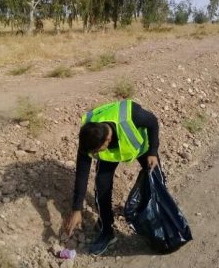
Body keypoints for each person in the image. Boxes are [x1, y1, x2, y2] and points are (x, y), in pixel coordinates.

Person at [64, 99, 160, 256]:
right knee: (101, 186)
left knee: (156, 180)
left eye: (97, 151)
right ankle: (106, 230)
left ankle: (159, 219)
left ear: (107, 140)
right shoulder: (89, 134)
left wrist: (153, 151)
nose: (95, 155)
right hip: (112, 154)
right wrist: (76, 209)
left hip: (141, 148)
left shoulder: (132, 116)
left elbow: (153, 122)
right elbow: (82, 173)